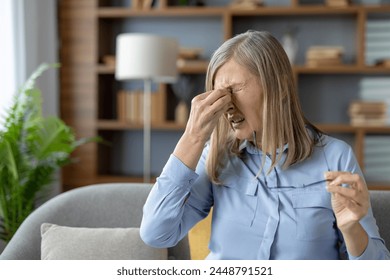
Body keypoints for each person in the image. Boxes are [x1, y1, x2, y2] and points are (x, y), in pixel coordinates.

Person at [140, 30, 390, 260]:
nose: (225, 104)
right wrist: (192, 137)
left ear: (278, 87)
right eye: (218, 93)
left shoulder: (335, 158)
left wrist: (352, 228)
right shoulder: (217, 156)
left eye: (235, 89)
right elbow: (156, 233)